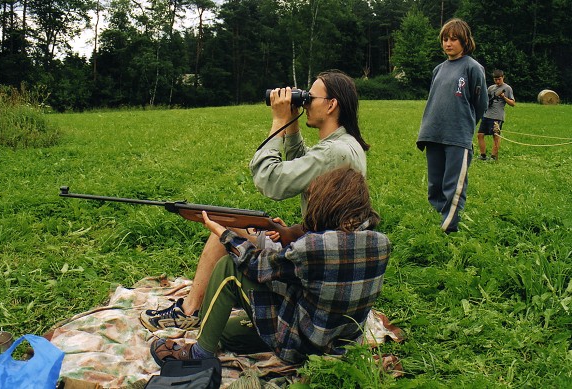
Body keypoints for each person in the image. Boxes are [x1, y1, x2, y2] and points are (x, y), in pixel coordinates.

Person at [141, 70, 370, 331]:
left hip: (315, 271)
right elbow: (304, 165)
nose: (305, 103)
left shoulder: (334, 152)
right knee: (246, 225)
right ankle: (197, 305)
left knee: (224, 229)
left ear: (331, 104)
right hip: (325, 258)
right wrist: (292, 122)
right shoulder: (346, 145)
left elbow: (270, 181)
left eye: (310, 98)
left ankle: (189, 311)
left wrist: (278, 122)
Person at [149, 167, 391, 364]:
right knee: (226, 332)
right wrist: (289, 237)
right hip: (340, 345)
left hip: (302, 346)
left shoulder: (314, 247)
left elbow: (256, 265)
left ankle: (198, 355)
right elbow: (324, 269)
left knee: (228, 268)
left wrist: (225, 234)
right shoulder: (381, 244)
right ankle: (214, 336)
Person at [416, 18, 488, 234]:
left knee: (453, 185)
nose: (448, 43)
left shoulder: (473, 68)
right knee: (435, 184)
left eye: (454, 39)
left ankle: (449, 228)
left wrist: (465, 126)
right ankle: (438, 219)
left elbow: (481, 103)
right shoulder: (438, 69)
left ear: (465, 41)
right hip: (433, 133)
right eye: (445, 39)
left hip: (457, 136)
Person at [477, 69, 515, 161]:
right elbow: (485, 99)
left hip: (497, 116)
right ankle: (483, 155)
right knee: (480, 135)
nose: (497, 81)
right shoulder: (491, 88)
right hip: (487, 115)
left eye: (499, 79)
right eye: (495, 79)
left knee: (496, 136)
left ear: (503, 77)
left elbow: (513, 103)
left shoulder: (507, 88)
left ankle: (493, 157)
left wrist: (503, 97)